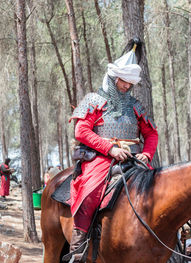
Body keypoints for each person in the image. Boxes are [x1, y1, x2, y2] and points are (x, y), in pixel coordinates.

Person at [64, 38, 158, 262]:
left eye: (129, 83)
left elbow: (151, 134)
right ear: (114, 78)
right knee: (90, 192)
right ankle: (78, 250)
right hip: (101, 158)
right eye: (123, 82)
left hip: (134, 158)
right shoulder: (94, 101)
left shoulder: (135, 106)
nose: (126, 86)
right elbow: (81, 131)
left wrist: (147, 153)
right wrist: (110, 148)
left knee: (160, 191)